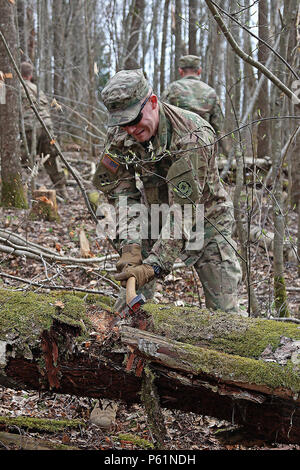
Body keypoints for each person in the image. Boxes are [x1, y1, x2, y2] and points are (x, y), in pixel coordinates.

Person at [92, 68, 242, 429]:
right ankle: (110, 391)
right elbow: (118, 193)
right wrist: (130, 248)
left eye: (135, 119)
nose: (130, 129)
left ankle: (238, 406)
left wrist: (156, 264)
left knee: (225, 315)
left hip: (206, 221)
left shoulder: (193, 136)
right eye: (122, 123)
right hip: (155, 216)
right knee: (128, 303)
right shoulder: (122, 136)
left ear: (154, 103)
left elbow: (186, 212)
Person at [161, 55, 229, 156]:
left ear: (180, 71)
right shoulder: (211, 92)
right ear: (199, 71)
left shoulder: (172, 89)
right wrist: (230, 157)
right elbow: (219, 129)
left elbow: (162, 121)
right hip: (204, 151)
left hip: (177, 151)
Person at [20, 61, 67, 199]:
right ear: (30, 75)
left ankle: (21, 192)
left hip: (29, 128)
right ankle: (62, 191)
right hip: (47, 127)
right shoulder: (37, 89)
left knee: (20, 160)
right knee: (51, 159)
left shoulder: (16, 88)